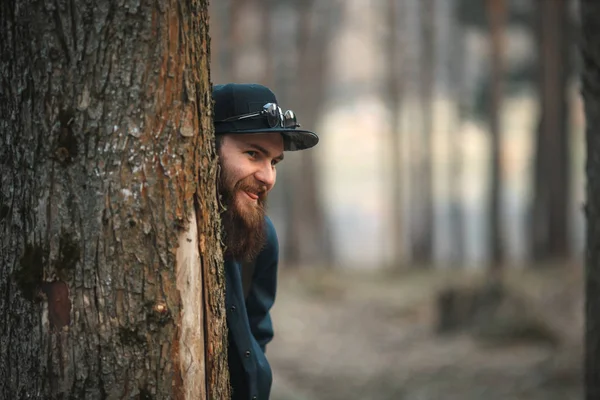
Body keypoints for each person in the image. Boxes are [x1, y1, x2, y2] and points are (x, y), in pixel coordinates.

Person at [212, 83, 319, 400]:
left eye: (273, 161)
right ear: (205, 148)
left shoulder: (263, 236)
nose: (268, 177)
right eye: (253, 154)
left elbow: (257, 330)